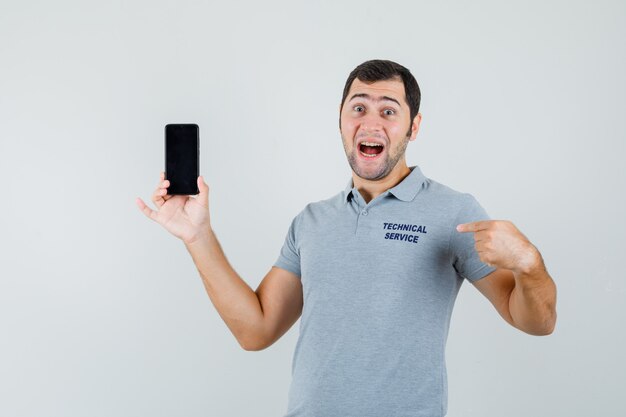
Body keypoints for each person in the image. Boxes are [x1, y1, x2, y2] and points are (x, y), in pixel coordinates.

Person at [136, 59, 557, 417]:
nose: (371, 122)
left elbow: (536, 322)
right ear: (341, 119)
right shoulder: (312, 221)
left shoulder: (454, 211)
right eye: (358, 107)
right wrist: (198, 236)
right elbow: (256, 330)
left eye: (389, 111)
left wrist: (529, 264)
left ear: (414, 126)